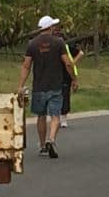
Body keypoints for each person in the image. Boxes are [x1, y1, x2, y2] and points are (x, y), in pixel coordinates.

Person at [18, 15, 78, 159]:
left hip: (39, 86)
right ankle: (52, 139)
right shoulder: (58, 43)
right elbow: (68, 63)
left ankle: (43, 144)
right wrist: (74, 79)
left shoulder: (32, 44)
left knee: (41, 116)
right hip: (55, 85)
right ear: (50, 28)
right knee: (55, 115)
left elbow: (26, 65)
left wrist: (20, 85)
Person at [53, 26, 84, 128]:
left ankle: (63, 119)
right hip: (54, 75)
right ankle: (56, 117)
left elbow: (80, 53)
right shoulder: (51, 48)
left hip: (66, 74)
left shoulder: (66, 47)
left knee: (65, 96)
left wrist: (73, 62)